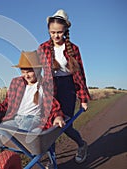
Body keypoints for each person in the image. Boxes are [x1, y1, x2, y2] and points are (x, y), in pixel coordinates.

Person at [37, 9, 91, 164]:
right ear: (48, 30)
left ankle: (81, 144)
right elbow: (37, 71)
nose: (56, 36)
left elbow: (80, 75)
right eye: (53, 32)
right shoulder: (43, 48)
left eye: (59, 32)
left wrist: (83, 98)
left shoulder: (73, 49)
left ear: (66, 30)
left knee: (65, 125)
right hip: (50, 88)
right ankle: (52, 160)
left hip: (68, 87)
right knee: (50, 125)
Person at [0, 51, 65, 132]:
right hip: (16, 118)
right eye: (23, 72)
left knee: (21, 132)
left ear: (38, 70)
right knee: (1, 131)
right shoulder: (16, 83)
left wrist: (58, 116)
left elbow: (52, 105)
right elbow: (7, 104)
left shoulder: (45, 85)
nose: (26, 75)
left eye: (29, 72)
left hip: (33, 118)